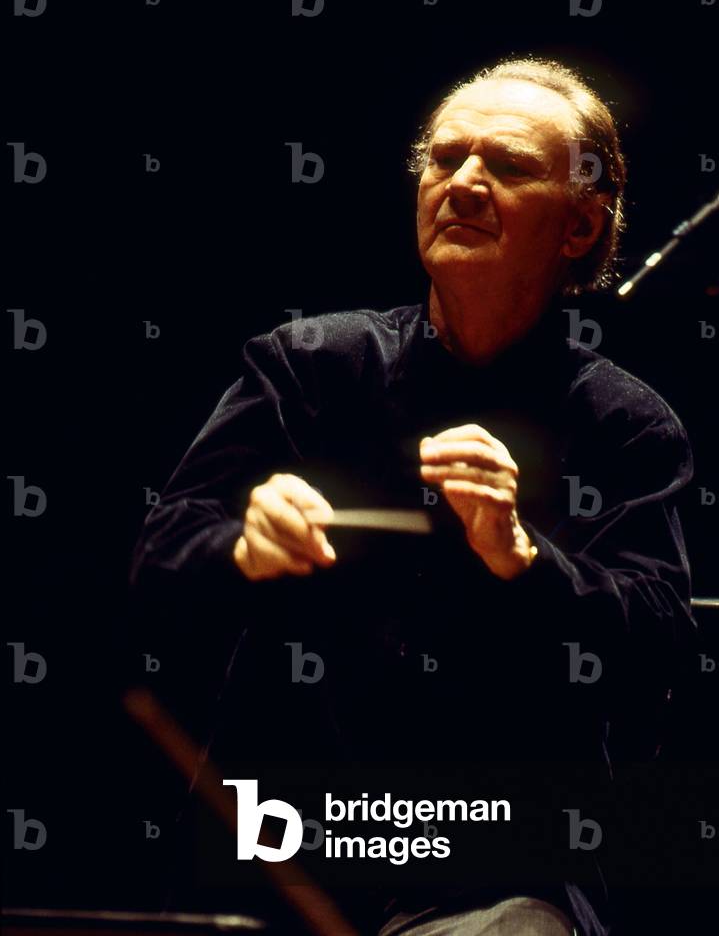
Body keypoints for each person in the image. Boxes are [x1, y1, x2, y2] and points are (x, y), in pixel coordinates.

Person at [130, 58, 697, 936]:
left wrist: (524, 559)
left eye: (507, 166)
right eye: (444, 157)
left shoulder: (624, 423)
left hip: (487, 870)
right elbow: (158, 564)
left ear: (580, 224)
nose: (462, 182)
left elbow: (658, 657)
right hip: (282, 851)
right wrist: (240, 548)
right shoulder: (307, 367)